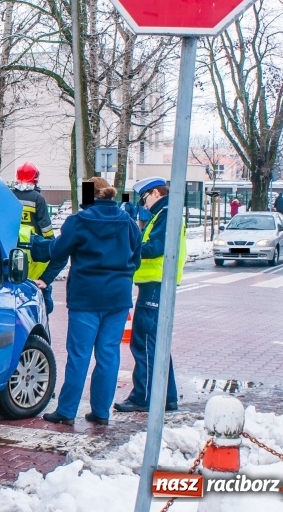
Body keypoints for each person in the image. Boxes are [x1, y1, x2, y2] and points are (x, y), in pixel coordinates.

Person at [32, 177, 142, 426]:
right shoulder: (127, 221)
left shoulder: (78, 221)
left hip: (86, 297)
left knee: (79, 354)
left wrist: (39, 246)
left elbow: (58, 251)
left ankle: (67, 410)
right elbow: (137, 256)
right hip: (117, 297)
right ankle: (101, 411)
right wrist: (122, 275)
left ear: (88, 196)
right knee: (109, 354)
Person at [114, 176, 185, 414]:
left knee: (144, 342)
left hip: (155, 285)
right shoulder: (164, 214)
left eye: (145, 197)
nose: (144, 203)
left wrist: (129, 248)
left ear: (155, 193)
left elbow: (155, 248)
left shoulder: (165, 215)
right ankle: (168, 397)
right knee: (158, 343)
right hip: (157, 285)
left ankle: (143, 397)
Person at [12, 162, 65, 315]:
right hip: (33, 246)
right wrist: (50, 243)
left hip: (12, 242)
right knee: (41, 289)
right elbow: (45, 226)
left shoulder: (10, 194)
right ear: (35, 178)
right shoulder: (37, 198)